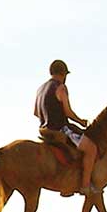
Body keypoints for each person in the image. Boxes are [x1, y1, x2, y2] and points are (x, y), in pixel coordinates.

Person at [34, 59, 97, 196]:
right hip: (61, 129)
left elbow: (35, 112)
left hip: (45, 130)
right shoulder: (61, 88)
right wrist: (81, 121)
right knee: (91, 148)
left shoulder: (40, 89)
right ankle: (85, 185)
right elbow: (68, 112)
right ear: (63, 74)